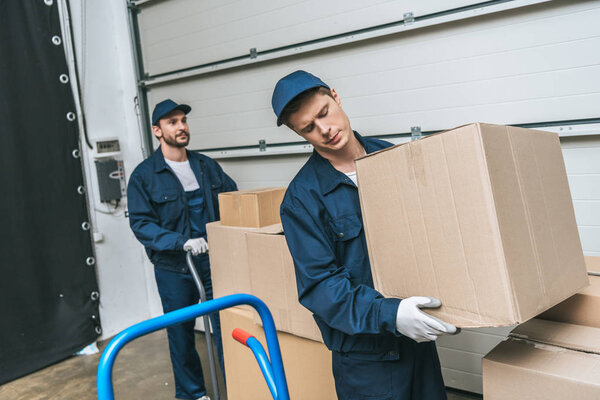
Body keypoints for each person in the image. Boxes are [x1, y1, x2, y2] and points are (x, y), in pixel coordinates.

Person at [272, 71, 458, 399]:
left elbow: (430, 233)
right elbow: (321, 286)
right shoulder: (302, 199)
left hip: (418, 343)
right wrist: (392, 314)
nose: (325, 130)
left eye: (324, 113)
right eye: (309, 128)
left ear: (335, 96)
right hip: (366, 359)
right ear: (298, 133)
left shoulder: (392, 157)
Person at [127, 99, 237, 400]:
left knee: (227, 329)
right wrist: (180, 242)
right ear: (157, 131)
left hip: (214, 263)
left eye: (183, 120)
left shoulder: (206, 166)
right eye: (172, 122)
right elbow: (142, 224)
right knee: (181, 336)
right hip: (175, 269)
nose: (181, 126)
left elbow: (232, 199)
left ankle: (240, 387)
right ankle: (193, 394)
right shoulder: (144, 177)